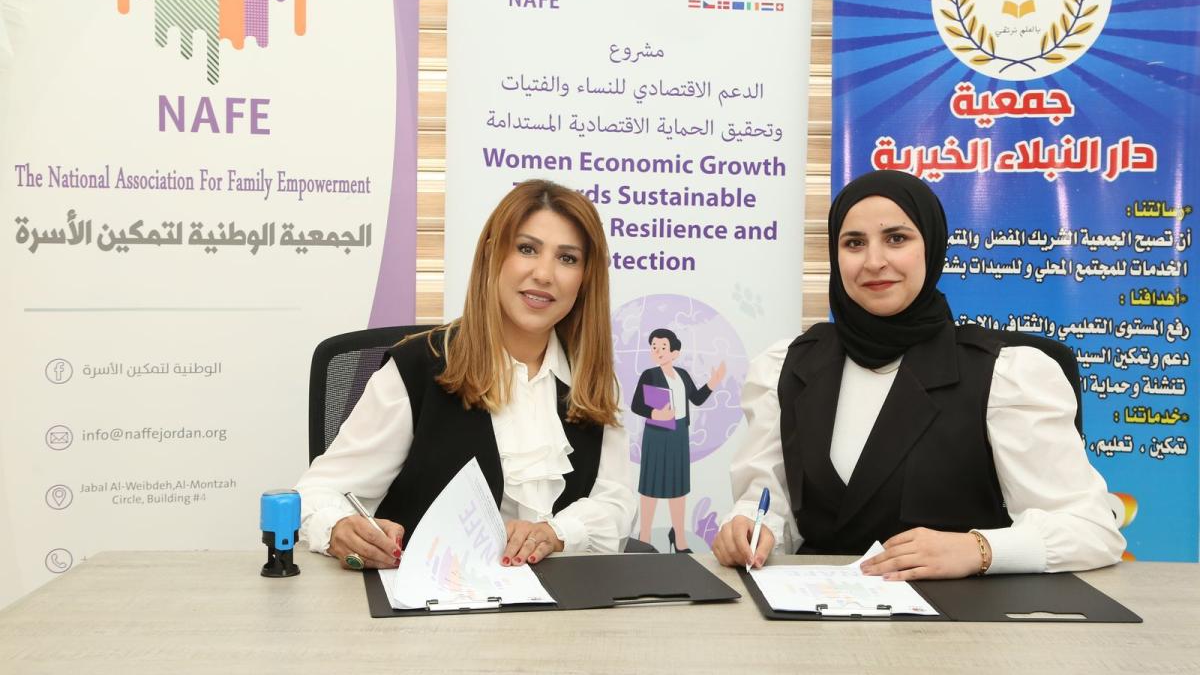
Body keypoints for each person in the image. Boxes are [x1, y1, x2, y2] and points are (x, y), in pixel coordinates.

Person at [713, 170, 1124, 579]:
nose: (874, 261)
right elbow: (769, 500)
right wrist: (750, 526)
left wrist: (979, 549)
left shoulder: (1002, 374)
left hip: (960, 615)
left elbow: (1091, 529)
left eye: (896, 239)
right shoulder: (788, 366)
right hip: (812, 609)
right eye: (854, 243)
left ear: (932, 245)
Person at [296, 179, 636, 571]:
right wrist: (338, 526)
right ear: (493, 255)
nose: (544, 274)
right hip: (432, 603)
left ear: (586, 277)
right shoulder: (416, 369)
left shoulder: (592, 381)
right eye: (527, 249)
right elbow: (316, 493)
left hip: (563, 603)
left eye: (567, 258)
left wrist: (559, 533)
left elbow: (616, 504)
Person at [630, 328, 726, 552]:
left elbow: (697, 399)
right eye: (654, 347)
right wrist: (655, 414)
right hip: (656, 433)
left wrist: (713, 382)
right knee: (651, 485)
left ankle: (679, 538)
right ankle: (645, 538)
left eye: (663, 347)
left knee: (678, 485)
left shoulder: (682, 374)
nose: (658, 351)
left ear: (675, 352)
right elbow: (636, 404)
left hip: (679, 433)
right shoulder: (649, 375)